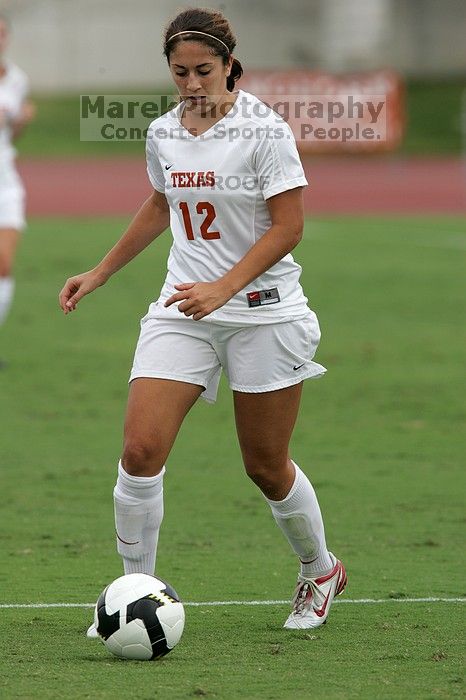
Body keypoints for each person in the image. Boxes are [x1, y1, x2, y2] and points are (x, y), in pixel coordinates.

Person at [59, 7, 346, 634]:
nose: (192, 84)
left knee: (265, 464)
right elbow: (161, 204)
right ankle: (135, 596)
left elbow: (290, 226)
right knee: (139, 452)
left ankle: (319, 569)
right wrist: (100, 272)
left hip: (264, 312)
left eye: (204, 71)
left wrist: (226, 286)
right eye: (180, 71)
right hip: (182, 306)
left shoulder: (265, 131)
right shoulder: (163, 131)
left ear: (228, 64)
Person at [0, 13, 35, 359]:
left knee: (4, 264)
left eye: (1, 33)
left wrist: (20, 121)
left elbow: (9, 134)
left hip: (5, 181)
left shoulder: (16, 79)